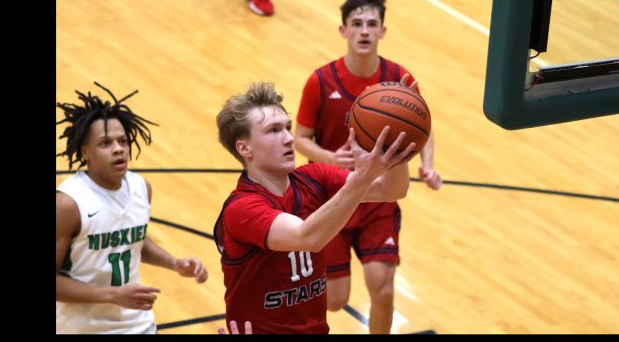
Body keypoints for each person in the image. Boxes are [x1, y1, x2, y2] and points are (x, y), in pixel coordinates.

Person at [213, 80, 417, 334]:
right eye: (274, 131)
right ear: (244, 148)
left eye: (288, 128)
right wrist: (362, 178)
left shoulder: (315, 177)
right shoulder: (242, 208)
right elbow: (307, 237)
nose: (289, 138)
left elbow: (390, 190)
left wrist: (397, 140)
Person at [294, 0, 443, 334]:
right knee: (334, 299)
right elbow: (300, 138)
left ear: (383, 31)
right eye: (357, 24)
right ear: (343, 30)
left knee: (384, 290)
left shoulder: (398, 80)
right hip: (334, 199)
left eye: (371, 24)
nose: (364, 31)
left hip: (378, 198)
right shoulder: (320, 81)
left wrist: (428, 164)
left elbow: (422, 126)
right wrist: (330, 157)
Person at [56, 82, 209, 334]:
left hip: (139, 325)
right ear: (85, 153)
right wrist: (112, 295)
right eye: (105, 143)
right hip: (82, 329)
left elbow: (133, 239)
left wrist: (174, 263)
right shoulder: (68, 204)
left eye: (122, 141)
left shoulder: (141, 187)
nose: (118, 149)